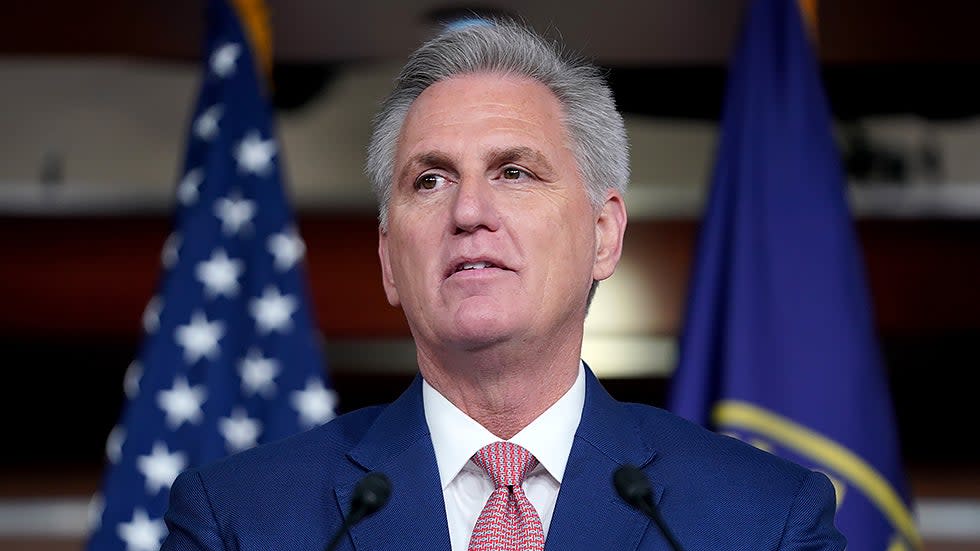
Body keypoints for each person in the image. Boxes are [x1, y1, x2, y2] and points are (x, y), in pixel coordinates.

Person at [162, 19, 845, 550]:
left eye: (513, 172)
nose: (467, 211)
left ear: (604, 235)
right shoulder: (240, 519)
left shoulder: (764, 519)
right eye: (429, 180)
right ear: (389, 260)